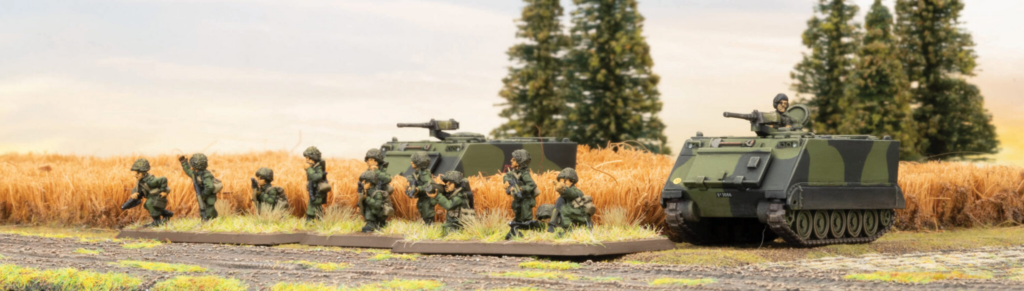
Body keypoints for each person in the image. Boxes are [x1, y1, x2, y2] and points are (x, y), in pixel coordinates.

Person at [126, 158, 172, 227]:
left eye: (138, 173)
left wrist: (163, 191)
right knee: (148, 205)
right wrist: (134, 193)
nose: (135, 175)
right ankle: (167, 214)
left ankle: (157, 222)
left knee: (150, 203)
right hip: (152, 196)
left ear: (144, 173)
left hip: (157, 196)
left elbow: (163, 179)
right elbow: (136, 188)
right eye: (135, 173)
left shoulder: (151, 181)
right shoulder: (140, 181)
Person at [503, 149, 539, 239]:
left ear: (520, 162)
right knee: (517, 216)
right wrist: (507, 184)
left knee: (527, 218)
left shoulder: (525, 174)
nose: (511, 160)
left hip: (526, 200)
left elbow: (532, 185)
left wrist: (522, 188)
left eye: (514, 159)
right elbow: (506, 177)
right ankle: (516, 231)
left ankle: (533, 231)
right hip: (518, 200)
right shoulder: (513, 173)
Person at [548, 167, 595, 233]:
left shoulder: (577, 191)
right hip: (569, 215)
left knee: (565, 214)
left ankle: (571, 229)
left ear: (572, 181)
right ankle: (553, 225)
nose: (563, 183)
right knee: (558, 204)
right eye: (561, 181)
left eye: (565, 181)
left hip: (578, 214)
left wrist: (564, 189)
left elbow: (571, 193)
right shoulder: (562, 198)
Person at [179, 153, 221, 221]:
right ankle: (205, 220)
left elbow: (210, 187)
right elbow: (188, 171)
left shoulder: (205, 175)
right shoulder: (196, 173)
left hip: (208, 195)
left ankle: (210, 221)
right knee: (203, 208)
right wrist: (184, 162)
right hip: (203, 193)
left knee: (209, 209)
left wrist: (204, 195)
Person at [407, 152, 438, 224]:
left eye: (414, 161)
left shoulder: (424, 174)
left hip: (427, 197)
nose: (411, 162)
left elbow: (429, 185)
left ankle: (430, 226)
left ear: (419, 163)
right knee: (422, 209)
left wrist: (418, 189)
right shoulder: (417, 173)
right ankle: (428, 225)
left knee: (427, 211)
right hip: (423, 197)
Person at [303, 146, 330, 221]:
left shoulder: (318, 167)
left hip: (318, 190)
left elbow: (317, 177)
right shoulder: (314, 166)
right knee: (317, 206)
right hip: (314, 189)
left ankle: (309, 220)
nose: (306, 160)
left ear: (313, 158)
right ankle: (320, 221)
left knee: (313, 204)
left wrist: (309, 169)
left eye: (308, 158)